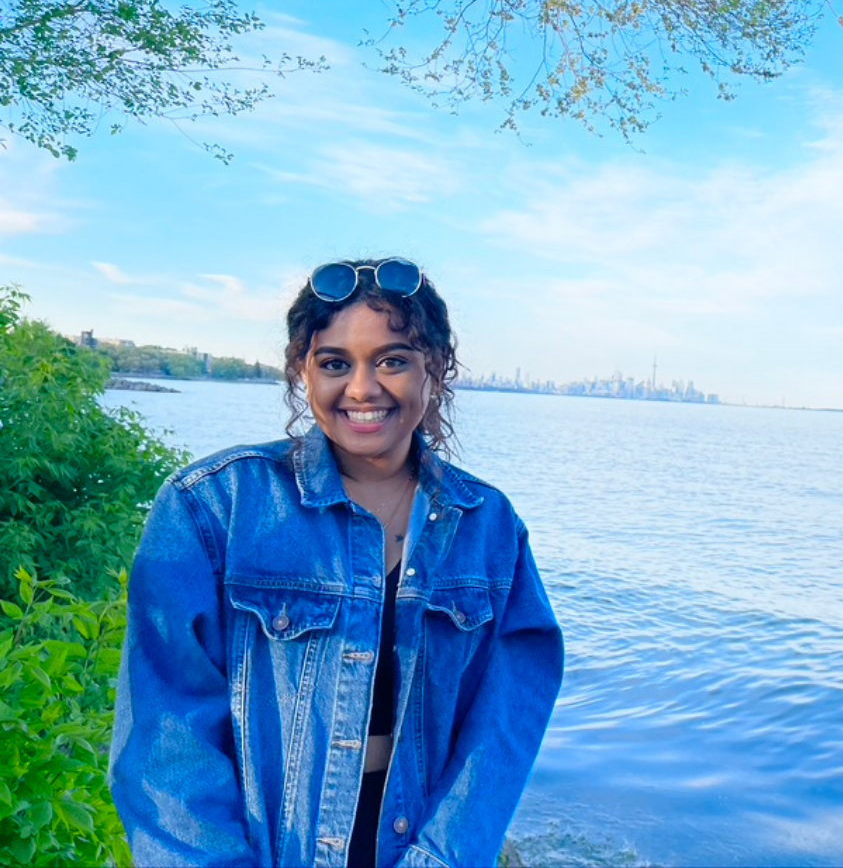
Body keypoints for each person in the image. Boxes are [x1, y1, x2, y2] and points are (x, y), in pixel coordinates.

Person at [109, 257, 564, 868]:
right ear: (304, 374)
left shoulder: (487, 526)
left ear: (436, 370)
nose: (362, 388)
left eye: (393, 360)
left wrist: (440, 856)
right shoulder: (216, 506)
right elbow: (166, 737)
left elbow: (505, 723)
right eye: (334, 364)